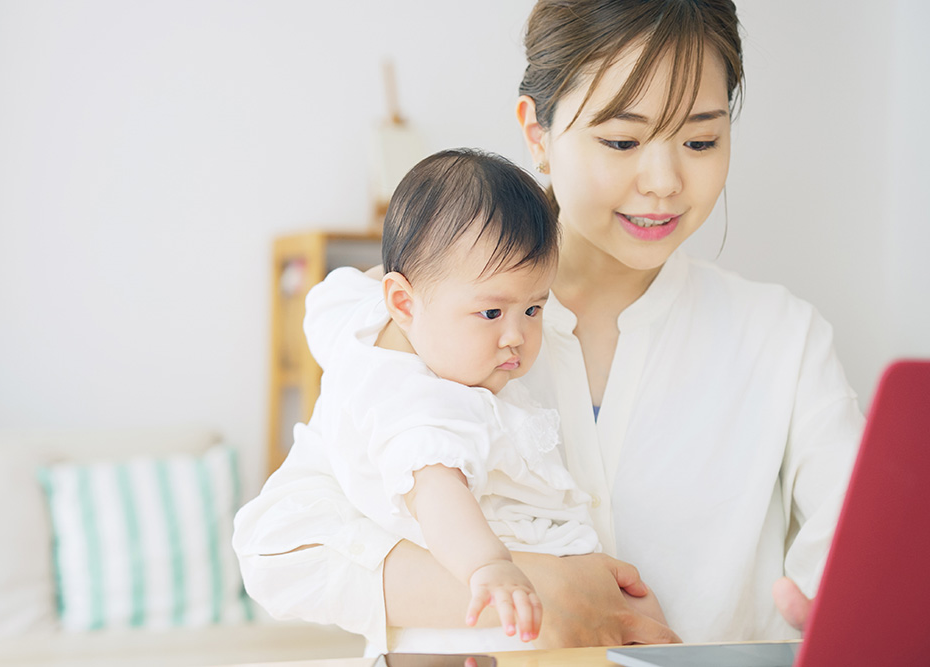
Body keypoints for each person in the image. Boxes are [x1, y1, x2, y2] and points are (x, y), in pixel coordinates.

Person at [233, 0, 863, 654]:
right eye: (622, 141)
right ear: (538, 133)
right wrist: (541, 594)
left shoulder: (783, 340)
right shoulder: (429, 325)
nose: (664, 181)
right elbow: (277, 549)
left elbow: (859, 571)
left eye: (700, 141)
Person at [297, 148, 617, 650]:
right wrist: (489, 566)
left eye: (534, 309)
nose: (516, 336)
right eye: (491, 313)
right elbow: (437, 492)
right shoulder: (423, 406)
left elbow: (334, 295)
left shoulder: (357, 321)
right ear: (402, 302)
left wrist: (431, 275)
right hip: (494, 595)